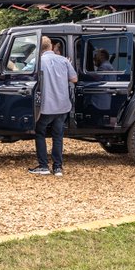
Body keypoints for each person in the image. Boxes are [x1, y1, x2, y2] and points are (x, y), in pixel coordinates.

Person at [29, 35, 77, 177]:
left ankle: (43, 166)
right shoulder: (63, 60)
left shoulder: (37, 62)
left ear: (40, 48)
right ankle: (57, 168)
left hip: (46, 106)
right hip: (62, 106)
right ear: (51, 46)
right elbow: (74, 79)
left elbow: (22, 74)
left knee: (40, 133)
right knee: (58, 136)